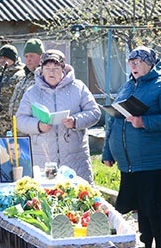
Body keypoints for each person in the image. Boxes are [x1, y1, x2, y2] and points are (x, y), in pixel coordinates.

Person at [102, 46, 161, 248]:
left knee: (154, 204)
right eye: (131, 61)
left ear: (150, 63)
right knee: (140, 204)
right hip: (130, 162)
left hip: (155, 159)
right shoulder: (127, 86)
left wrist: (144, 122)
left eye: (138, 61)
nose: (133, 65)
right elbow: (113, 120)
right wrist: (108, 151)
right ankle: (146, 246)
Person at [16, 49, 101, 182]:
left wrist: (75, 121)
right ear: (41, 69)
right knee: (47, 198)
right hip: (43, 158)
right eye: (47, 68)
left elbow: (95, 112)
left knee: (77, 198)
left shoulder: (78, 88)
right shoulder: (31, 92)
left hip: (75, 158)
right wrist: (38, 126)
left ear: (63, 69)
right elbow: (20, 120)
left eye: (56, 68)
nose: (51, 72)